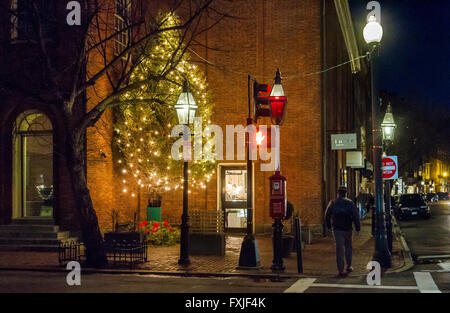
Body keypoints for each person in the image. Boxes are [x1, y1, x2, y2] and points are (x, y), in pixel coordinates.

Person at [325, 186, 361, 277]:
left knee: (339, 249)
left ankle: (340, 269)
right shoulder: (350, 203)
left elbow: (327, 215)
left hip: (337, 229)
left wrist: (329, 226)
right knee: (348, 247)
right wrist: (357, 228)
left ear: (338, 193)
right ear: (346, 193)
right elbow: (356, 216)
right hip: (348, 228)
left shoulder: (333, 202)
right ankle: (349, 265)